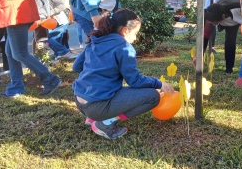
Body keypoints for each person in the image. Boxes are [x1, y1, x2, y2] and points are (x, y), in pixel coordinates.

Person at [72, 8, 174, 139]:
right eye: (135, 33)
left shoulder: (96, 39)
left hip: (79, 100)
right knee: (153, 96)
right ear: (125, 30)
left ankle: (93, 118)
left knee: (117, 92)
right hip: (96, 106)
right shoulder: (124, 48)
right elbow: (135, 81)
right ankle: (104, 122)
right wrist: (158, 83)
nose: (136, 38)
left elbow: (76, 66)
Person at [193, 0, 242, 74]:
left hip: (237, 19)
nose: (212, 23)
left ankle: (230, 68)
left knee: (231, 42)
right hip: (227, 19)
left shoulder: (237, 8)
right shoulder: (211, 14)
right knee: (228, 41)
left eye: (214, 23)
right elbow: (205, 37)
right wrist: (198, 55)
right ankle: (228, 69)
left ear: (222, 16)